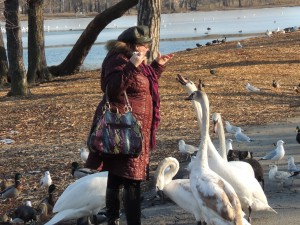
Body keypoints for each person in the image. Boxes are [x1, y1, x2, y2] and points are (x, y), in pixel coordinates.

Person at [85, 25, 174, 225]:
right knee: (132, 180)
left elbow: (140, 84)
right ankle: (130, 221)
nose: (148, 49)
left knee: (117, 176)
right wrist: (132, 66)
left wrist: (157, 66)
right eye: (144, 45)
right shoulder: (118, 60)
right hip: (124, 130)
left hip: (134, 128)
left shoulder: (133, 60)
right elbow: (114, 89)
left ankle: (113, 219)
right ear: (132, 46)